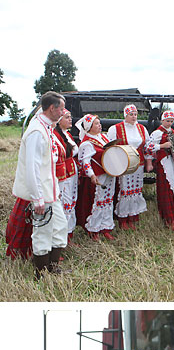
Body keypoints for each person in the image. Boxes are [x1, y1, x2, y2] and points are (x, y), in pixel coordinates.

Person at [6, 91, 68, 277]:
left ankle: (53, 267)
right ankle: (41, 273)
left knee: (60, 226)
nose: (64, 112)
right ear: (52, 108)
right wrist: (37, 198)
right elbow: (32, 169)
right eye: (62, 108)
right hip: (42, 193)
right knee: (42, 232)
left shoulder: (46, 128)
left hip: (52, 191)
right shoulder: (36, 132)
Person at [106, 104, 151, 230]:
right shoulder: (115, 129)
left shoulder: (142, 128)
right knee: (125, 190)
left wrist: (149, 162)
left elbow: (147, 147)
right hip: (123, 164)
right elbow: (110, 148)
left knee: (136, 189)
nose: (134, 116)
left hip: (139, 164)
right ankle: (123, 219)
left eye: (135, 114)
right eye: (131, 114)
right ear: (125, 115)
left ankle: (133, 216)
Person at [76, 114, 115, 241]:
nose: (100, 126)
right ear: (89, 127)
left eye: (99, 123)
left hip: (108, 173)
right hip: (98, 175)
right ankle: (94, 229)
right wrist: (92, 175)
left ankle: (106, 227)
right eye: (96, 124)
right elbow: (85, 162)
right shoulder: (87, 143)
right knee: (97, 202)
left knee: (108, 200)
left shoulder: (103, 137)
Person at [145, 110, 174, 229]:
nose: (169, 123)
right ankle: (168, 217)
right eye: (167, 121)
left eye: (171, 121)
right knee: (166, 188)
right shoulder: (157, 133)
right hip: (163, 163)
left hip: (173, 162)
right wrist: (161, 146)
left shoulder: (173, 132)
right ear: (162, 120)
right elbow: (148, 147)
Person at [54, 107, 79, 242]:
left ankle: (69, 234)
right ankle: (61, 238)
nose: (70, 119)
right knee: (65, 204)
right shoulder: (56, 135)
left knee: (71, 203)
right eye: (67, 117)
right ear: (59, 120)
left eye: (70, 117)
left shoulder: (67, 134)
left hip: (72, 172)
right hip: (64, 174)